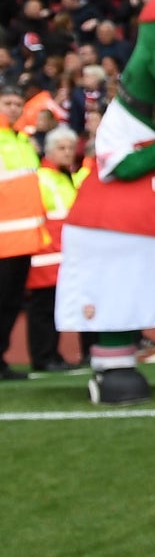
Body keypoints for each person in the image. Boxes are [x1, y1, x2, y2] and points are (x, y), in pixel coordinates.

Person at [24, 125, 82, 369]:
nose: (67, 152)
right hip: (45, 254)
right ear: (49, 151)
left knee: (53, 307)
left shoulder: (63, 177)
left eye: (70, 147)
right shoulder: (42, 178)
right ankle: (43, 357)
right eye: (61, 148)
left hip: (60, 255)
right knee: (43, 309)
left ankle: (52, 354)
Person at [0, 81, 39, 372]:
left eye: (17, 104)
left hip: (23, 239)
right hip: (4, 239)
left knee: (12, 304)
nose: (14, 109)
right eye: (7, 103)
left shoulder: (23, 141)